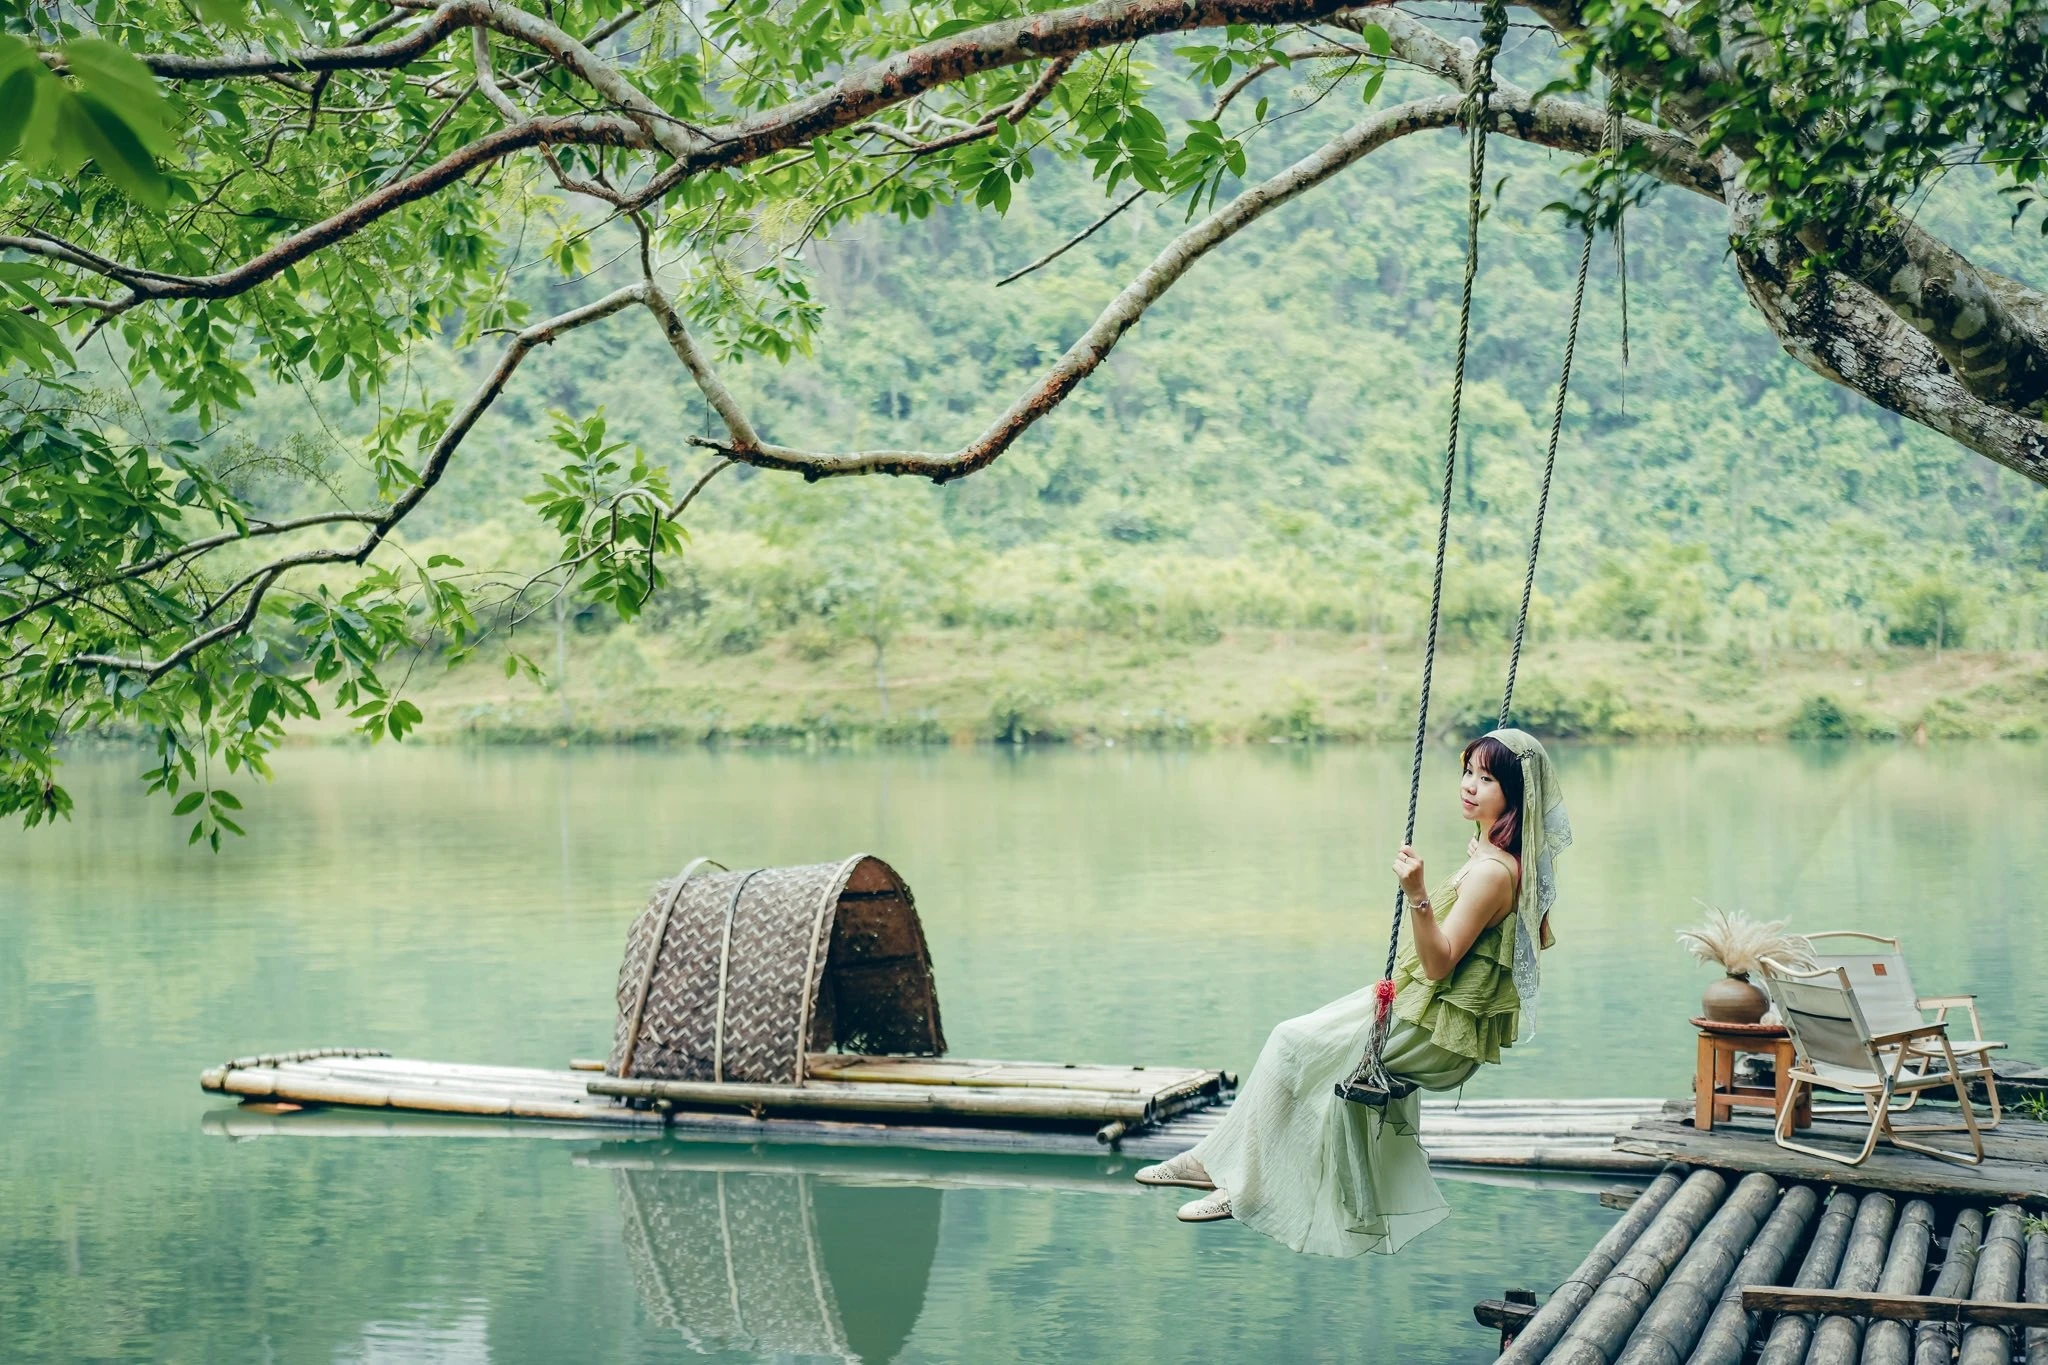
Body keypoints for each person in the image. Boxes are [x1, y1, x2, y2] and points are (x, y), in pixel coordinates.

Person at [1133, 728, 1570, 1257]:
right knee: (1294, 1048)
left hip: (1434, 1028)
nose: (1469, 787)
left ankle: (1243, 1189)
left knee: (1294, 1045)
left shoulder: (1495, 873)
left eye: (1487, 779)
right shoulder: (1489, 856)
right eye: (1467, 772)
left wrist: (1417, 894)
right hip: (1416, 1008)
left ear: (1516, 796)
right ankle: (1217, 1163)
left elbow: (1437, 965)